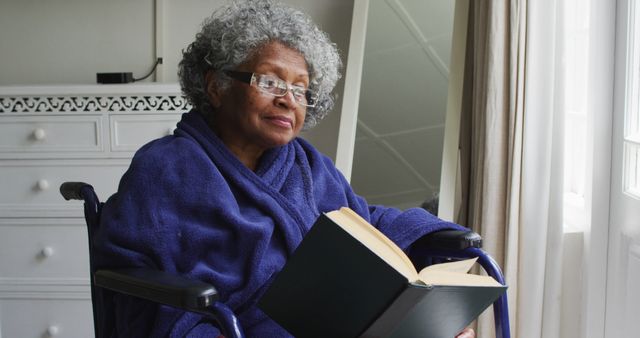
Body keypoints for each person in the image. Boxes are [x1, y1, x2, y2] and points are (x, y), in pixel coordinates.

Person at [94, 1, 476, 337]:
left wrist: (428, 239)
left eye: (300, 89)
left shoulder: (307, 164)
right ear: (216, 86)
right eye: (270, 81)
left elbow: (359, 220)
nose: (288, 100)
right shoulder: (165, 167)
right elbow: (134, 273)